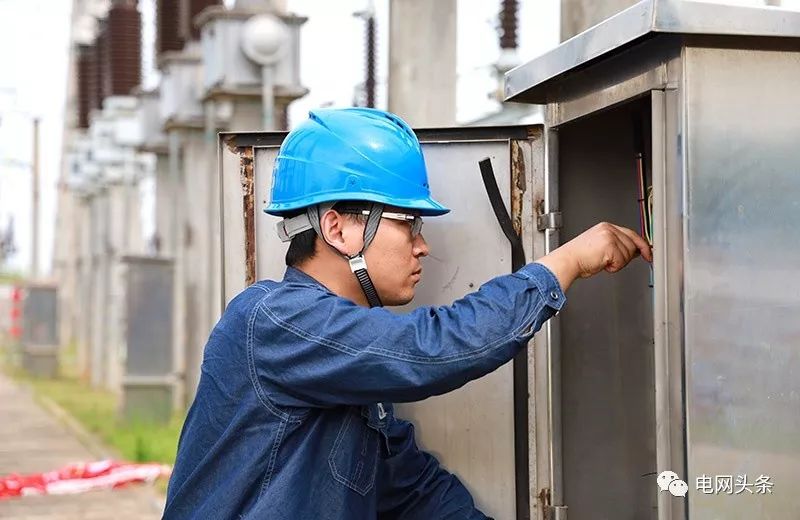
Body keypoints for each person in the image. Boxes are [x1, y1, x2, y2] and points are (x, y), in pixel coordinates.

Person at [164, 108, 651, 519]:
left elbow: (414, 492)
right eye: (407, 224)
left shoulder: (349, 373)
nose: (422, 247)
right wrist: (561, 265)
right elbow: (431, 348)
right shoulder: (271, 321)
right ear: (338, 228)